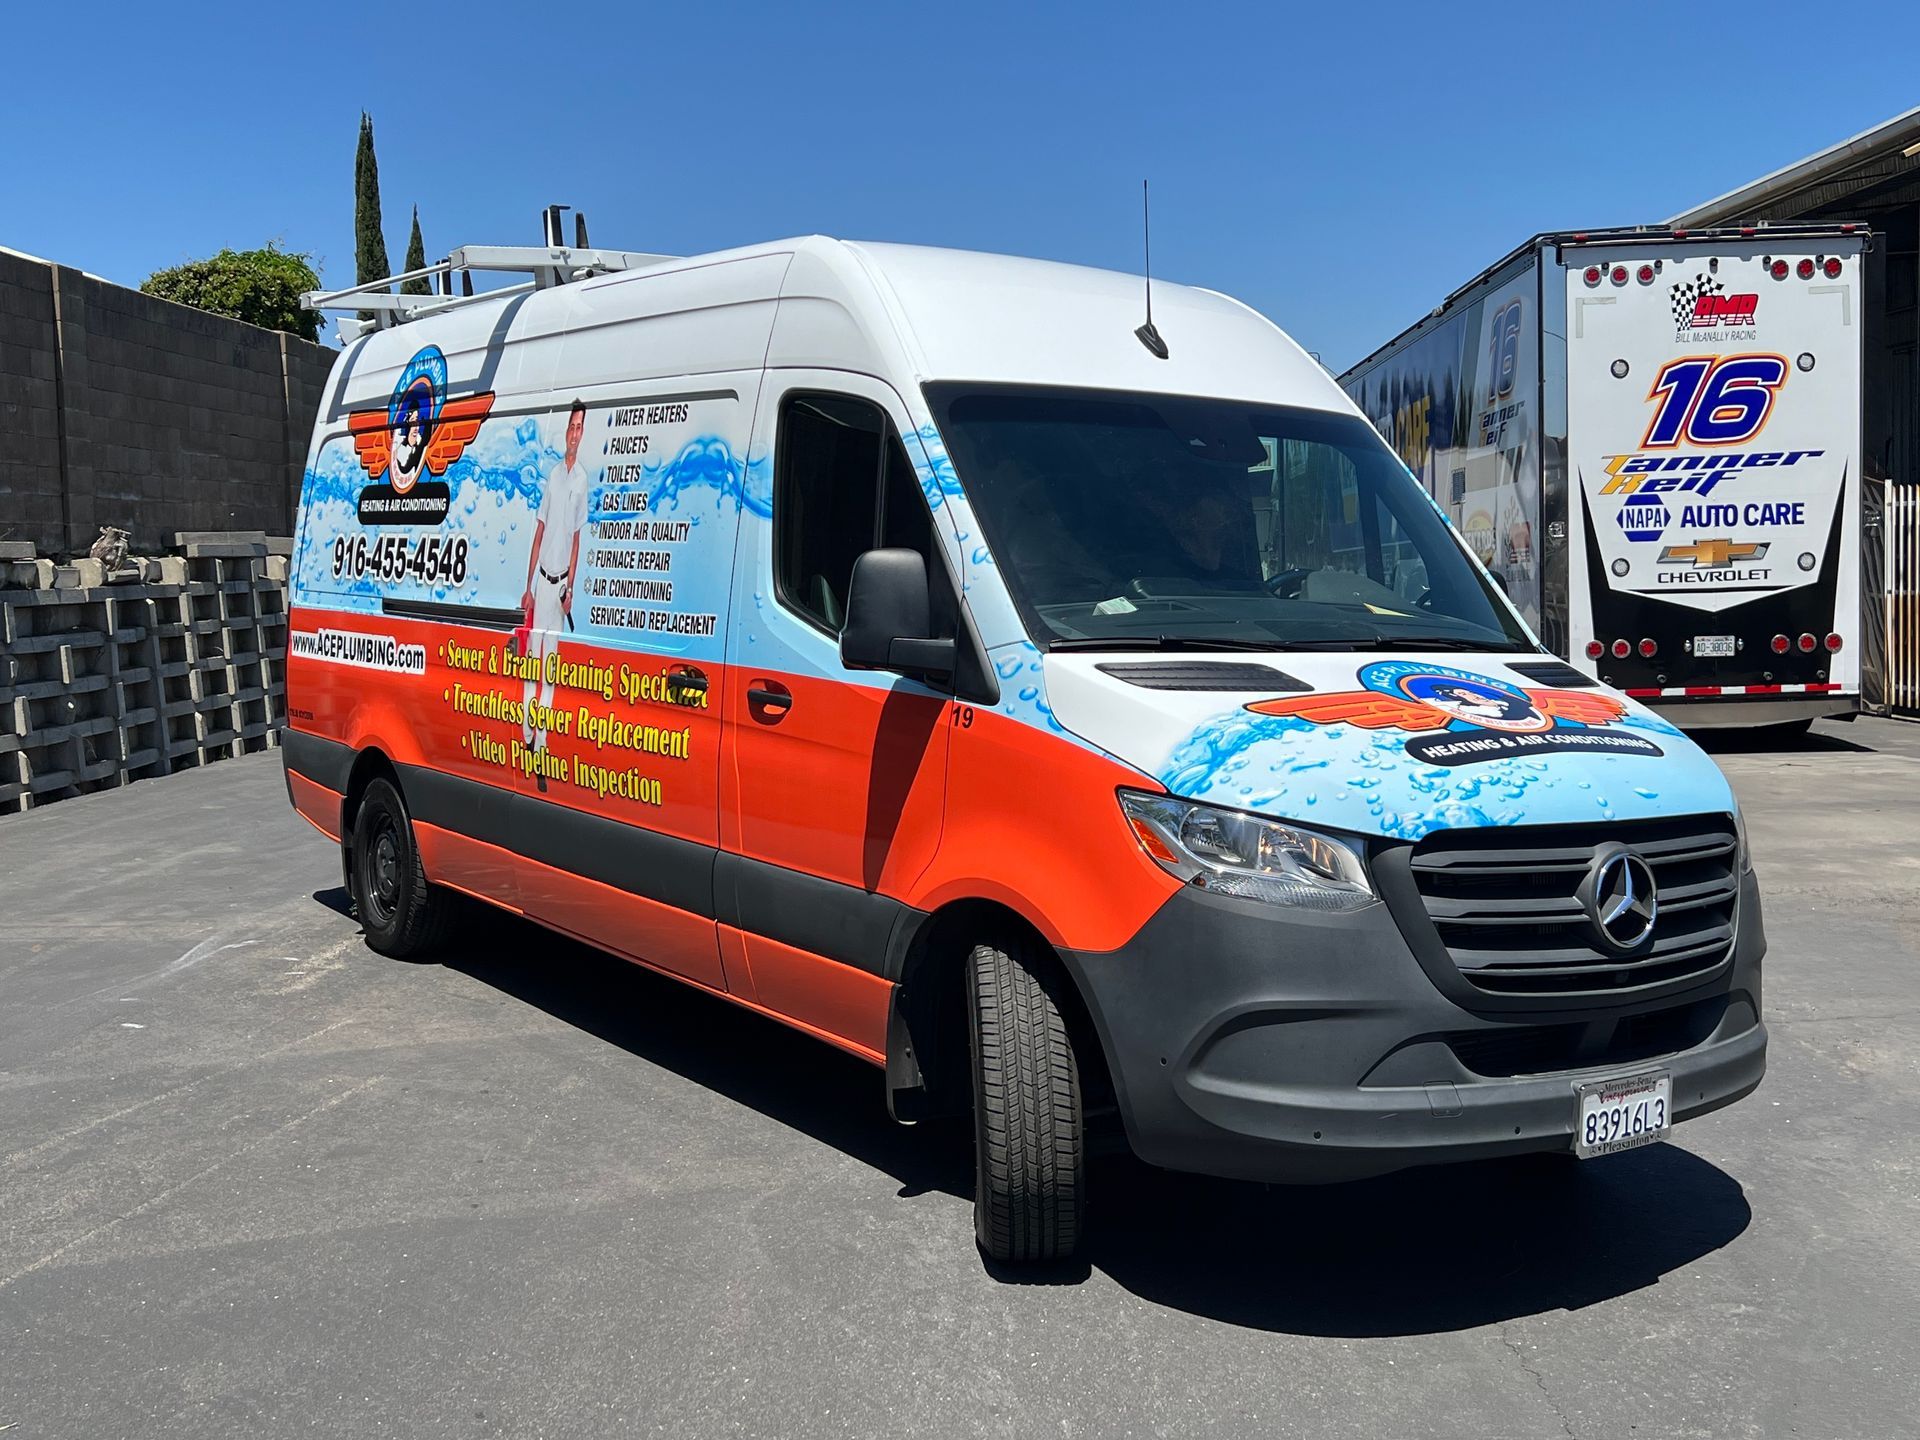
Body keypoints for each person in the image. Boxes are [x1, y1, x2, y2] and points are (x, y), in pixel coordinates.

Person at [520, 401, 591, 779]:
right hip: (542, 585)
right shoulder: (553, 476)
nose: (575, 433)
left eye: (580, 428)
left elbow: (576, 541)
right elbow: (540, 531)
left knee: (549, 670)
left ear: (584, 434)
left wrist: (571, 590)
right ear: (565, 431)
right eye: (571, 427)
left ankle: (542, 744)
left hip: (560, 584)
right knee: (533, 665)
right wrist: (528, 587)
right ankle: (525, 734)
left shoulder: (582, 481)